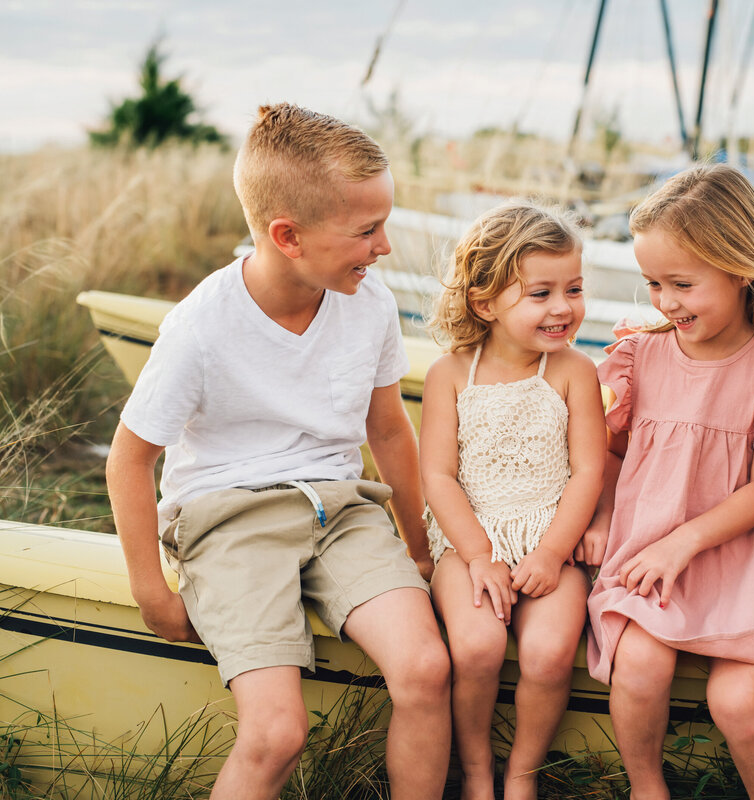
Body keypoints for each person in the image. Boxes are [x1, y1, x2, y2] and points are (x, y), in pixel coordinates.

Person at [106, 103, 451, 800]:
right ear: (287, 235)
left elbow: (387, 429)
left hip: (342, 512)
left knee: (424, 670)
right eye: (367, 230)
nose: (383, 247)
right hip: (229, 521)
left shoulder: (369, 301)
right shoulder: (200, 329)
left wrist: (419, 545)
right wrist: (152, 592)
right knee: (276, 733)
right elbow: (129, 458)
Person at [586, 163, 754, 800]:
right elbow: (610, 453)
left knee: (738, 702)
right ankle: (646, 787)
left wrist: (686, 543)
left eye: (682, 283)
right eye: (653, 283)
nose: (665, 301)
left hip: (738, 560)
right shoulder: (639, 356)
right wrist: (601, 516)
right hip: (648, 554)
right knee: (641, 669)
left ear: (739, 270)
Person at [421, 202, 606, 800]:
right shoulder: (452, 375)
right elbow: (440, 477)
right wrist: (478, 555)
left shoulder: (575, 370)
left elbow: (587, 473)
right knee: (476, 648)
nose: (562, 308)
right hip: (468, 540)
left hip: (552, 536)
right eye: (540, 293)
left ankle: (522, 773)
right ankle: (475, 769)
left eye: (573, 289)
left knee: (550, 654)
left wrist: (553, 552)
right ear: (484, 302)